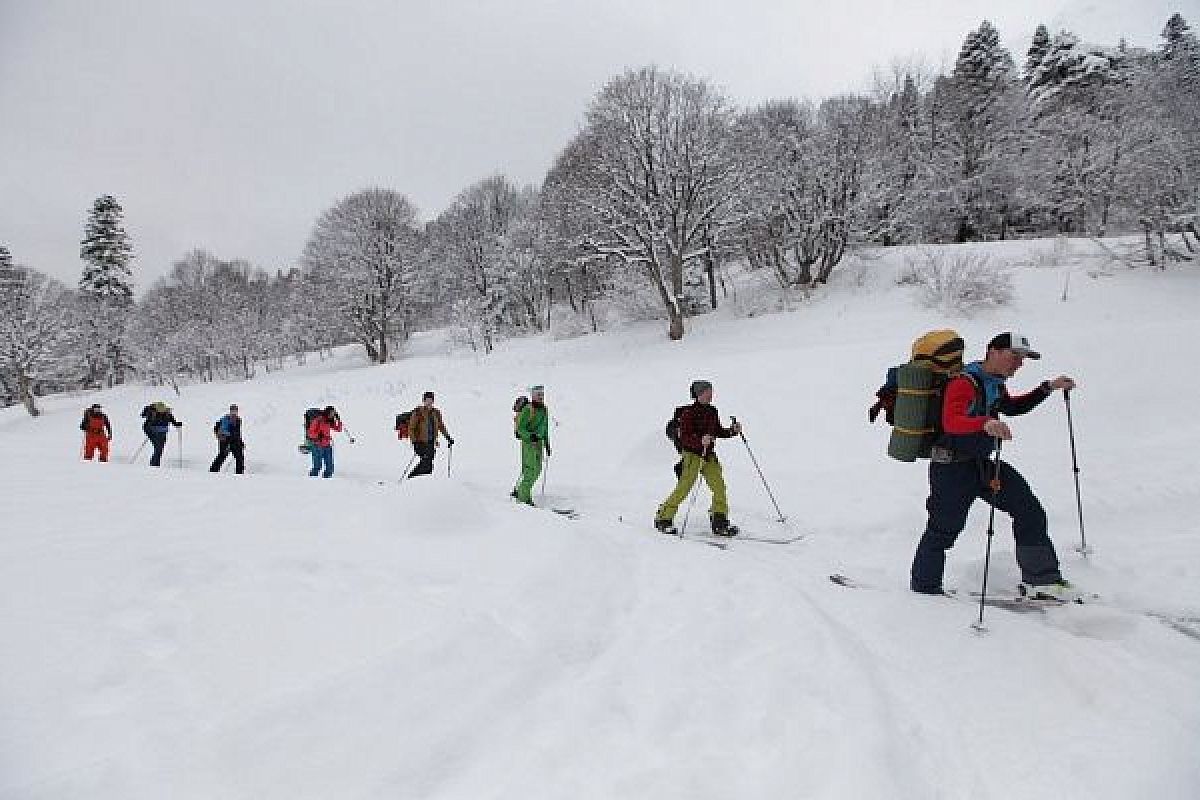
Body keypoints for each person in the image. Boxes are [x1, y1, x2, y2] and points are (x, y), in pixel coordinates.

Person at [910, 332, 1077, 600]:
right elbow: (952, 421)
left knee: (1029, 510)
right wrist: (985, 424)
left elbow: (1012, 408)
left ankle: (1041, 581)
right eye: (1014, 356)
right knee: (943, 530)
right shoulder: (964, 382)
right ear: (993, 351)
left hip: (983, 466)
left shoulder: (994, 383)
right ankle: (924, 588)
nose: (1019, 364)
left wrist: (1047, 387)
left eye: (1022, 359)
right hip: (950, 469)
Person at [654, 380, 742, 536]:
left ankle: (719, 520)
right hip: (692, 456)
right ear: (698, 394)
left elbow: (718, 431)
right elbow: (684, 438)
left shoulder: (713, 411)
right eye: (707, 392)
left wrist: (732, 431)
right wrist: (700, 440)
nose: (710, 395)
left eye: (711, 392)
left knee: (719, 487)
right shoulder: (688, 414)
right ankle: (663, 518)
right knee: (684, 488)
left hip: (708, 455)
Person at [512, 385, 549, 504]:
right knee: (530, 470)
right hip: (529, 443)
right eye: (538, 395)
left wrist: (547, 443)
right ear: (533, 396)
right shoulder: (528, 409)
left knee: (537, 470)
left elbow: (545, 427)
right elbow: (520, 429)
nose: (541, 397)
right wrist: (529, 436)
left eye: (542, 395)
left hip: (539, 443)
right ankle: (523, 498)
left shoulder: (544, 409)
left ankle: (519, 490)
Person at [405, 391, 454, 478]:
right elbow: (411, 428)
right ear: (423, 401)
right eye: (427, 400)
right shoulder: (418, 412)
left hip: (431, 442)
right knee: (426, 462)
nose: (429, 402)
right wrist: (415, 443)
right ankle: (411, 478)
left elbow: (441, 426)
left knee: (429, 463)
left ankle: (423, 480)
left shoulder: (436, 412)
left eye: (430, 400)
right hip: (420, 442)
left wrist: (448, 437)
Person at [140, 401, 182, 467]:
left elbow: (173, 421)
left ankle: (155, 463)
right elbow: (143, 416)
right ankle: (154, 464)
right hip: (152, 432)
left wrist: (177, 424)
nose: (163, 412)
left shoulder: (167, 413)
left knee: (160, 448)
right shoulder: (152, 413)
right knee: (158, 447)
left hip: (163, 433)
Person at [306, 405, 343, 478]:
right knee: (317, 466)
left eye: (334, 413)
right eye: (331, 413)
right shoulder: (318, 420)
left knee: (330, 466)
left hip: (327, 445)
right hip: (317, 445)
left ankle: (327, 482)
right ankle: (312, 481)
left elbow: (338, 429)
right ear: (327, 412)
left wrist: (338, 420)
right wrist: (318, 436)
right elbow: (310, 433)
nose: (333, 414)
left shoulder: (329, 421)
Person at [209, 404, 246, 474]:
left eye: (235, 411)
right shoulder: (225, 419)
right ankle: (213, 471)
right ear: (230, 411)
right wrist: (228, 439)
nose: (234, 412)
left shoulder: (238, 420)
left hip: (235, 440)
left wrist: (241, 442)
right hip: (225, 440)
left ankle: (240, 473)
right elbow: (223, 430)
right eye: (232, 411)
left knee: (240, 457)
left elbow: (238, 433)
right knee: (222, 455)